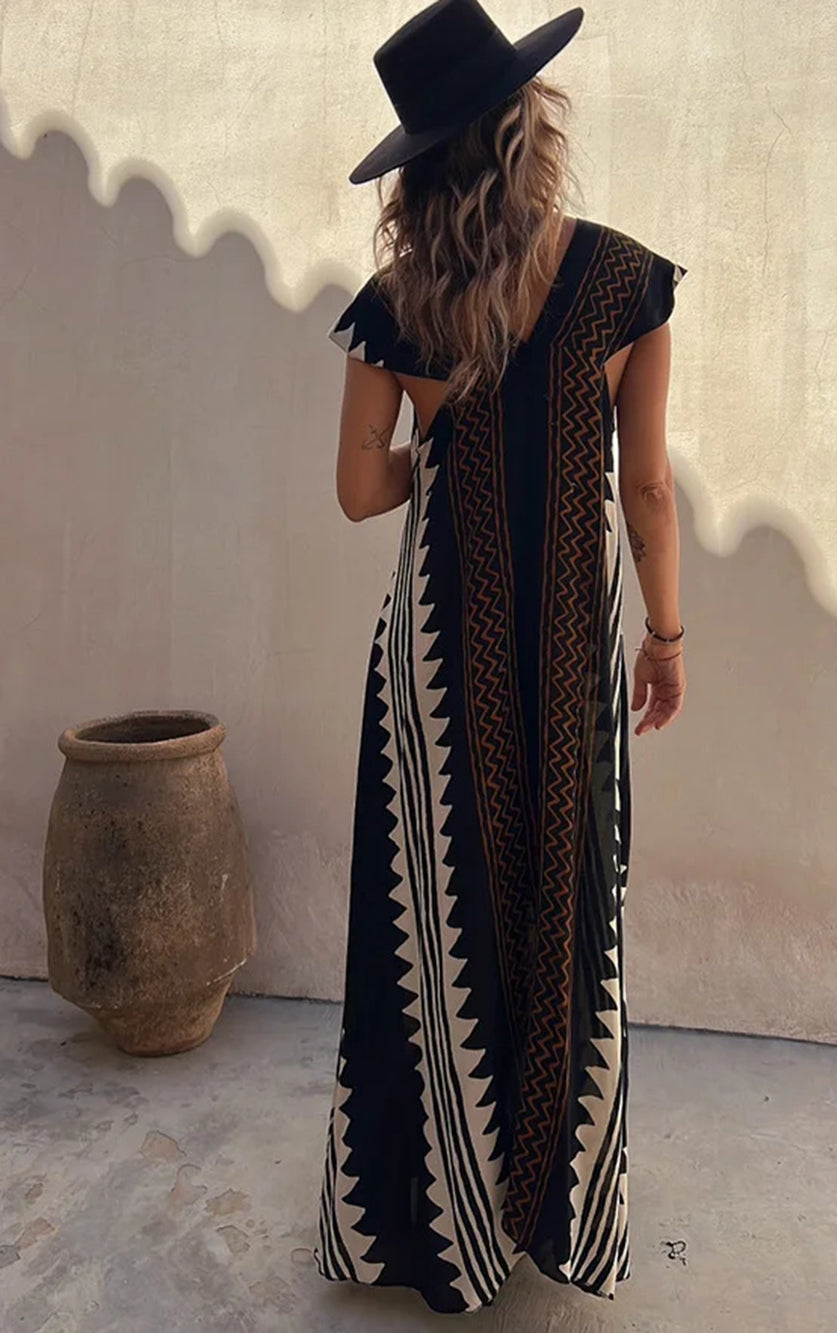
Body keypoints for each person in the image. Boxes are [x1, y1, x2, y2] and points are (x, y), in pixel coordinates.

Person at [312, 0, 687, 1315]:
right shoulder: (626, 282)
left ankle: (428, 1228)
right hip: (574, 657)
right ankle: (556, 1207)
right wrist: (668, 637)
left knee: (433, 921)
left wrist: (449, 441)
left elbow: (359, 492)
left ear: (420, 166)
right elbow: (649, 492)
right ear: (530, 125)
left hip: (435, 664)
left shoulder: (395, 306)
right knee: (567, 907)